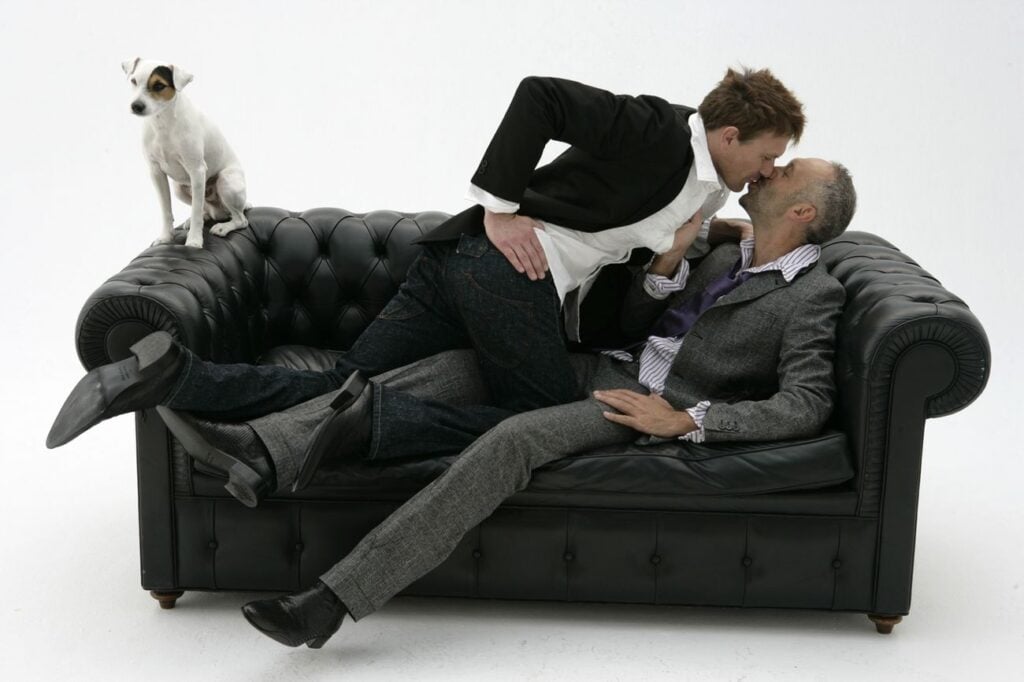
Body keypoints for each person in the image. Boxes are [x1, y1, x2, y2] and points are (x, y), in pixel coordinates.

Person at [47, 69, 806, 507]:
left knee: (345, 378)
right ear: (728, 135)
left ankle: (165, 373)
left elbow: (640, 221)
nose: (770, 170)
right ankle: (367, 423)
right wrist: (500, 208)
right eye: (769, 154)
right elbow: (540, 96)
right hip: (506, 273)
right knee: (535, 424)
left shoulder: (706, 183)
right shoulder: (654, 128)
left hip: (459, 264)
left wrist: (721, 233)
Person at [233, 156, 857, 648]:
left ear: (802, 210)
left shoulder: (814, 295)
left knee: (513, 438)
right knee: (460, 366)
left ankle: (331, 602)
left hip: (642, 405)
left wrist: (687, 420)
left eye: (786, 171)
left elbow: (805, 403)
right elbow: (637, 321)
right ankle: (262, 449)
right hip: (608, 365)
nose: (768, 169)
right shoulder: (724, 252)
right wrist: (671, 257)